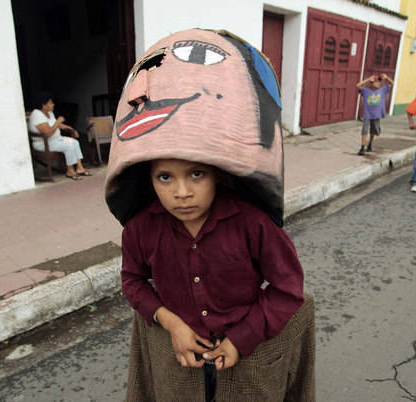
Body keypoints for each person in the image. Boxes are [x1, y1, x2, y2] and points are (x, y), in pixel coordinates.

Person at [105, 29, 315, 401]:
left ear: (218, 172)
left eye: (196, 174)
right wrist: (170, 322)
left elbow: (288, 290)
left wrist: (242, 337)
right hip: (179, 358)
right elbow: (133, 282)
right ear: (149, 178)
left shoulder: (253, 224)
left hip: (246, 356)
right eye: (165, 177)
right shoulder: (140, 229)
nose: (182, 192)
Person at [28, 92, 92, 180]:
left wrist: (71, 129)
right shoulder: (37, 114)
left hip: (56, 140)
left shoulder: (49, 113)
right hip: (43, 143)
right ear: (43, 105)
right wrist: (58, 121)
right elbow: (48, 132)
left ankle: (80, 168)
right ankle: (70, 171)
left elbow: (58, 125)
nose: (53, 104)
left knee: (75, 142)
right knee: (68, 147)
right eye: (51, 103)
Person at [356, 73, 394, 155]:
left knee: (374, 130)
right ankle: (362, 147)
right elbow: (358, 85)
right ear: (371, 84)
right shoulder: (366, 91)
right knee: (365, 130)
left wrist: (387, 77)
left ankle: (370, 144)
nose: (378, 84)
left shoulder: (382, 90)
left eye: (379, 82)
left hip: (377, 115)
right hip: (367, 114)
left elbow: (392, 84)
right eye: (376, 82)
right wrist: (368, 79)